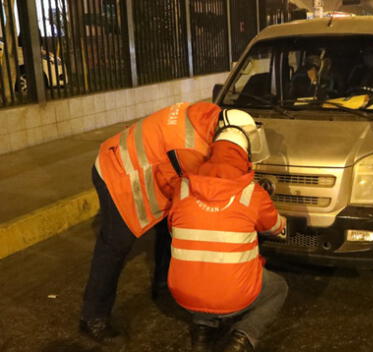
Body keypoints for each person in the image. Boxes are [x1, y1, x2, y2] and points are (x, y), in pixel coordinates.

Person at [80, 102, 245, 343]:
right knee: (114, 246)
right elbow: (206, 196)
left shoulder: (208, 115)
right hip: (117, 173)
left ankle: (163, 285)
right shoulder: (191, 148)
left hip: (137, 161)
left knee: (170, 227)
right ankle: (93, 317)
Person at [168, 111, 287, 352]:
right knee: (278, 288)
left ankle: (202, 333)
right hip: (233, 297)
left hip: (183, 295)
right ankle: (241, 338)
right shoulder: (251, 193)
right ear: (246, 152)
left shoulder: (182, 186)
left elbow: (175, 230)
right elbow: (276, 228)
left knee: (202, 263)